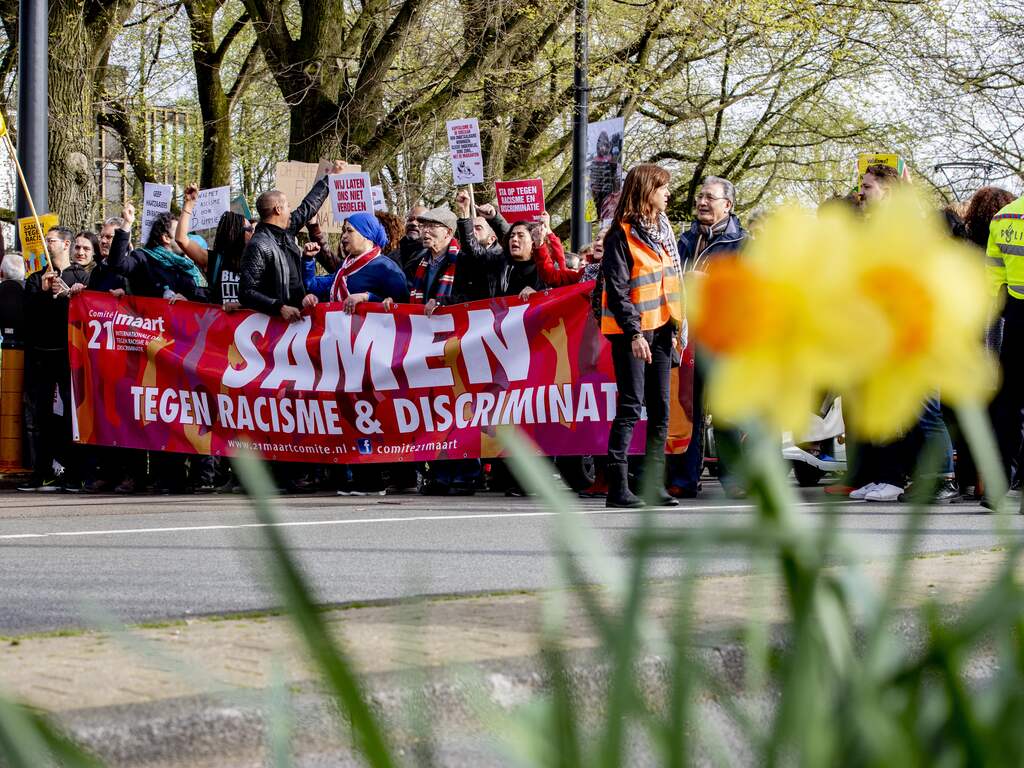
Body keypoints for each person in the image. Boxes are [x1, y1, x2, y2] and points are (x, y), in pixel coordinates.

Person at [601, 163, 684, 508]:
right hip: (632, 332)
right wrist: (634, 332)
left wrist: (677, 326)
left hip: (663, 329)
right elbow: (618, 290)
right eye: (663, 188)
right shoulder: (620, 235)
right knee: (632, 407)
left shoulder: (663, 232)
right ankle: (617, 488)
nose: (668, 194)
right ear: (646, 191)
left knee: (661, 409)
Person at [668, 176, 748, 498]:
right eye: (700, 196)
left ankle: (734, 479)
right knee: (688, 410)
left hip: (724, 338)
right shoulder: (683, 241)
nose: (702, 202)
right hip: (687, 337)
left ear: (727, 205)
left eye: (710, 198)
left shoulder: (743, 243)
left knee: (728, 410)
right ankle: (685, 480)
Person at [18, 229, 91, 492]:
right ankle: (42, 471)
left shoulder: (80, 276)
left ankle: (74, 473)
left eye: (51, 240)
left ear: (66, 244)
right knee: (42, 417)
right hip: (42, 356)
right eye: (46, 240)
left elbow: (90, 312)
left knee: (73, 414)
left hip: (69, 355)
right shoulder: (36, 278)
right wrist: (42, 291)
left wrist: (73, 295)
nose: (47, 244)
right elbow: (25, 314)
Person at [239, 161, 346, 321]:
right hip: (273, 326)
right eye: (288, 206)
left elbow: (308, 206)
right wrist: (280, 307)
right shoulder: (258, 245)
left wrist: (330, 178)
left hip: (298, 320)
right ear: (278, 209)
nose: (291, 210)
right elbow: (246, 292)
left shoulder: (287, 231)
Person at [985, 191, 1024, 508]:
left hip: (1015, 317)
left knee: (1009, 406)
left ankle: (999, 486)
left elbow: (994, 275)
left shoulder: (1004, 217)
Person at [302, 212, 409, 309]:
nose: (343, 236)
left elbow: (404, 306)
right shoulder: (344, 268)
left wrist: (367, 298)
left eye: (349, 231)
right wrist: (308, 260)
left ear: (366, 235)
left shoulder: (387, 268)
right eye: (344, 231)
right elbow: (314, 286)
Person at [176, 184, 252, 309]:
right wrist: (189, 205)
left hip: (246, 327)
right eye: (249, 229)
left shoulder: (255, 261)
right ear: (235, 233)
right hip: (218, 326)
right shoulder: (214, 260)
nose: (253, 232)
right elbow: (181, 239)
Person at [407, 207, 470, 315]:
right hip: (422, 328)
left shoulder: (463, 262)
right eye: (424, 226)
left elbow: (470, 298)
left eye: (431, 226)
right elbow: (406, 296)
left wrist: (440, 303)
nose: (425, 230)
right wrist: (391, 301)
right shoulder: (416, 262)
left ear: (448, 232)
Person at [453, 190, 511, 301]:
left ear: (492, 239)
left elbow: (509, 238)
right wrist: (439, 303)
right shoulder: (462, 256)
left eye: (478, 228)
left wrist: (465, 213)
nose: (472, 231)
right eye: (471, 227)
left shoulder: (500, 256)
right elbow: (459, 295)